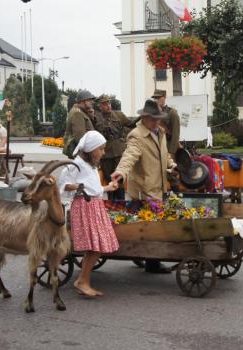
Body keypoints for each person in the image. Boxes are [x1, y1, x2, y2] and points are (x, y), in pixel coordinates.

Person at [110, 99, 177, 273]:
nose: (157, 122)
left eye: (159, 118)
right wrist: (121, 172)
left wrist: (172, 165)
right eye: (154, 119)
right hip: (143, 190)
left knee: (145, 226)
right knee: (150, 228)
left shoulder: (159, 132)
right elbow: (129, 156)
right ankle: (151, 263)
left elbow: (164, 155)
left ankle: (140, 255)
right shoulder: (137, 135)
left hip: (157, 186)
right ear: (145, 118)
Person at [59, 131, 120, 297]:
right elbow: (63, 185)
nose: (103, 152)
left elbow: (92, 187)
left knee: (97, 245)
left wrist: (107, 188)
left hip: (94, 205)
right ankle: (82, 281)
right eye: (101, 149)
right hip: (85, 206)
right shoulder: (76, 164)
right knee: (95, 245)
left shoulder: (90, 165)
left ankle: (83, 280)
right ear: (91, 150)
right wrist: (77, 186)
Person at [94, 94, 138, 200]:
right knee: (109, 178)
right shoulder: (96, 118)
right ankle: (111, 204)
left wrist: (141, 117)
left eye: (109, 103)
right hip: (106, 153)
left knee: (120, 179)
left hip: (119, 151)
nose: (108, 106)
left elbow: (131, 124)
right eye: (104, 104)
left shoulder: (119, 115)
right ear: (100, 106)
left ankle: (121, 202)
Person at [63, 90, 95, 159]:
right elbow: (80, 138)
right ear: (82, 101)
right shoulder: (77, 113)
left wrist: (91, 116)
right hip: (82, 154)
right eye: (89, 100)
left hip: (81, 153)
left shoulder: (80, 112)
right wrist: (90, 154)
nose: (92, 102)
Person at [152, 89, 180, 155]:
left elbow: (176, 134)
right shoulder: (152, 113)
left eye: (158, 98)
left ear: (164, 98)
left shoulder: (172, 113)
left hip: (167, 147)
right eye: (155, 98)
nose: (156, 100)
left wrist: (171, 152)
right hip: (155, 148)